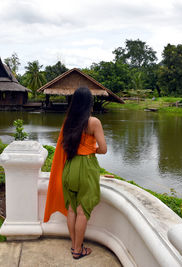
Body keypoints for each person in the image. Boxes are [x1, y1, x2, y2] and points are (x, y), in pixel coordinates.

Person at [43, 87, 107, 260]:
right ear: (89, 103)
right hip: (86, 167)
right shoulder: (94, 122)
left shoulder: (68, 121)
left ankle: (74, 246)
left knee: (71, 209)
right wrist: (91, 149)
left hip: (70, 167)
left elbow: (65, 146)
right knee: (82, 211)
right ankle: (78, 250)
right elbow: (104, 149)